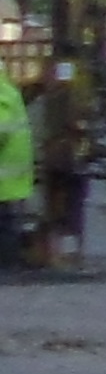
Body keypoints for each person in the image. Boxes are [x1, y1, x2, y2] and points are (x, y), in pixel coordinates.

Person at [0, 67, 33, 272]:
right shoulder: (6, 89)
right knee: (6, 222)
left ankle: (7, 267)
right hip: (10, 177)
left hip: (5, 178)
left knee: (4, 224)